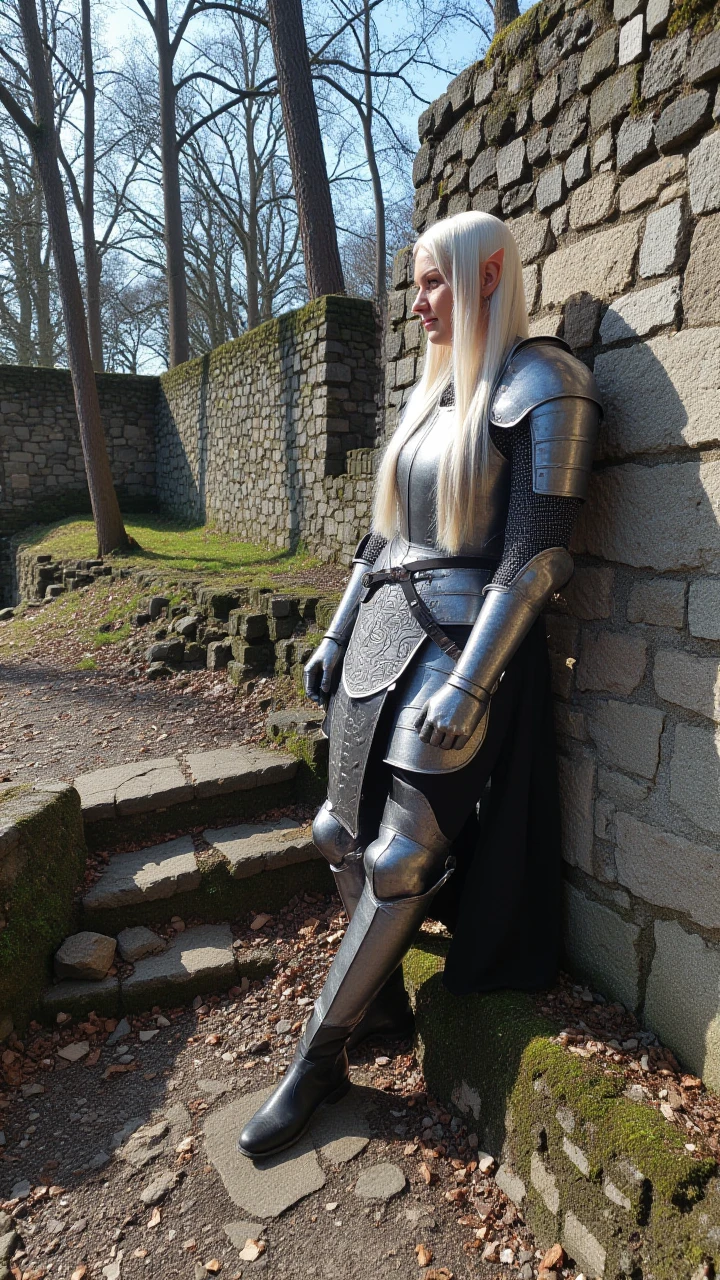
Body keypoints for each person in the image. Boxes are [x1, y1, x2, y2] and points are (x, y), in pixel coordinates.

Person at [238, 210, 602, 1160]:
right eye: (415, 282)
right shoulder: (427, 396)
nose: (418, 300)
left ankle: (319, 1060)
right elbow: (384, 537)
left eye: (434, 280)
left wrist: (475, 681)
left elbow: (536, 556)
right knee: (335, 832)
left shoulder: (543, 382)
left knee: (401, 859)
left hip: (461, 641)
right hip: (382, 630)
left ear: (487, 278)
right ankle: (383, 1005)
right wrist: (334, 626)